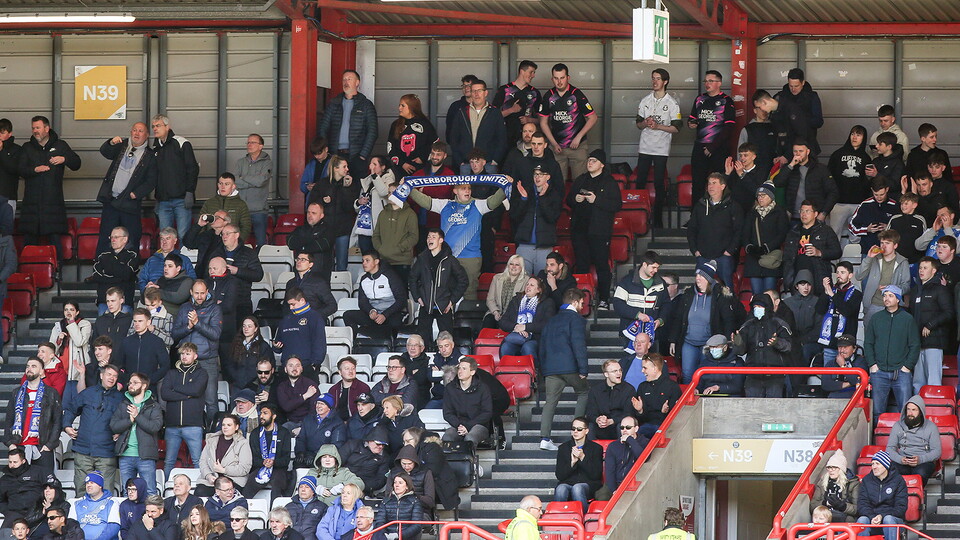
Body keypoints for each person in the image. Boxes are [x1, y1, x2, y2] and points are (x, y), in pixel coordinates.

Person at [18, 115, 81, 261]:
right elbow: (20, 170)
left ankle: (57, 273)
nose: (35, 131)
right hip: (31, 203)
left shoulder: (60, 146)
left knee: (55, 241)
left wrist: (64, 159)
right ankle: (28, 272)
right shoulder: (27, 147)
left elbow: (77, 163)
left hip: (53, 202)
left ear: (47, 128)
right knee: (29, 242)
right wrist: (35, 170)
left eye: (38, 127)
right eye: (33, 128)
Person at [567, 149, 622, 308]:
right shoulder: (580, 180)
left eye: (594, 161)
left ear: (602, 165)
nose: (590, 163)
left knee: (601, 265)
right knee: (582, 265)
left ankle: (604, 298)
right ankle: (580, 300)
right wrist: (575, 199)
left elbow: (616, 205)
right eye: (589, 160)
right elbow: (569, 200)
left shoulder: (609, 182)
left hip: (599, 231)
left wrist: (596, 200)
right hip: (579, 230)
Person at [668, 261, 739, 384]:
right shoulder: (688, 294)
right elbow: (678, 318)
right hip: (688, 342)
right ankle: (688, 402)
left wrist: (725, 341)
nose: (697, 278)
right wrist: (673, 340)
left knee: (705, 375)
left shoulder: (719, 296)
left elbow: (728, 320)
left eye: (701, 276)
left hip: (709, 344)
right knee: (687, 374)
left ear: (709, 278)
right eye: (696, 275)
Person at [537, 288, 589, 451]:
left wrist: (543, 368)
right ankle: (578, 435)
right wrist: (583, 369)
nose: (582, 306)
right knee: (584, 393)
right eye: (581, 303)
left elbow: (542, 346)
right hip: (570, 367)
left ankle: (544, 438)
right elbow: (578, 345)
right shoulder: (576, 320)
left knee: (550, 401)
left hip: (551, 368)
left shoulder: (551, 320)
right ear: (574, 302)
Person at [62, 362, 123, 493]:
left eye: (115, 376)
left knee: (106, 492)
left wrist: (120, 432)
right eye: (109, 374)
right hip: (83, 449)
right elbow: (71, 409)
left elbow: (126, 421)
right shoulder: (88, 393)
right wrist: (67, 426)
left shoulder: (120, 398)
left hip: (106, 452)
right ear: (101, 375)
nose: (111, 378)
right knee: (82, 490)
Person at [96, 122, 156, 254]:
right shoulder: (121, 145)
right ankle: (101, 270)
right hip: (111, 200)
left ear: (147, 135)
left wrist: (136, 194)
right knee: (106, 237)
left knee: (131, 238)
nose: (136, 133)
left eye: (140, 131)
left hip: (130, 204)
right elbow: (105, 152)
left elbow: (151, 181)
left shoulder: (150, 156)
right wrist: (111, 142)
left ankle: (129, 271)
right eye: (134, 130)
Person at [864, 285, 920, 420]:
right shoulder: (876, 318)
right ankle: (878, 439)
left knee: (906, 412)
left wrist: (907, 367)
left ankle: (905, 439)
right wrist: (872, 364)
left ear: (898, 299)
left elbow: (915, 345)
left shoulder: (907, 319)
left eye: (890, 295)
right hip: (879, 372)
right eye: (884, 295)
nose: (886, 298)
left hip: (901, 373)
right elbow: (868, 343)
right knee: (877, 412)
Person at [635, 68, 681, 226]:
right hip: (645, 147)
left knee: (659, 183)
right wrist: (645, 123)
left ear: (665, 81)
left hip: (661, 148)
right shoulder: (645, 100)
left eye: (658, 79)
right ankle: (637, 214)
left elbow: (677, 128)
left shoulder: (672, 103)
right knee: (640, 181)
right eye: (653, 78)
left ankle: (658, 220)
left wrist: (658, 126)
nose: (655, 81)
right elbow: (638, 124)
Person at [172, 279, 223, 421]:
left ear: (207, 292)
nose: (199, 296)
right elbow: (175, 334)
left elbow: (215, 334)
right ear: (191, 293)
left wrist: (197, 323)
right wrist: (188, 327)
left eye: (202, 293)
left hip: (208, 360)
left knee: (211, 400)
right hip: (186, 362)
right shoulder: (184, 308)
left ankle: (212, 433)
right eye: (196, 293)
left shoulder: (215, 309)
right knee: (186, 398)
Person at [317, 70, 379, 186]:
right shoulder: (334, 103)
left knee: (356, 189)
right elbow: (323, 128)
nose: (346, 82)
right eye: (344, 79)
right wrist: (326, 151)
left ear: (357, 83)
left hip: (357, 155)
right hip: (335, 155)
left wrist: (363, 155)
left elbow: (373, 132)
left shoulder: (366, 104)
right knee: (334, 188)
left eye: (349, 79)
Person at [538, 63, 597, 180]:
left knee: (580, 182)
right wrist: (553, 143)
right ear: (552, 79)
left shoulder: (576, 94)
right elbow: (543, 122)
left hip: (577, 146)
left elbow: (593, 117)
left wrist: (579, 137)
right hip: (557, 147)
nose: (559, 82)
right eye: (556, 78)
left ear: (568, 78)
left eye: (562, 78)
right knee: (557, 183)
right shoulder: (548, 96)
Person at [4, 358, 61, 476]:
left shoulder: (51, 393)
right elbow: (9, 419)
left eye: (34, 366)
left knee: (44, 487)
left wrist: (49, 445)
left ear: (41, 371)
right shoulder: (16, 393)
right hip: (19, 447)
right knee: (20, 488)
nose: (29, 369)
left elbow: (57, 421)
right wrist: (10, 443)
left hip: (42, 447)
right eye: (28, 366)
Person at [409, 229, 468, 341]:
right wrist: (417, 297)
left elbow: (463, 280)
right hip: (425, 305)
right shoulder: (422, 259)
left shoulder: (450, 260)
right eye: (428, 237)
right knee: (422, 340)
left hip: (444, 305)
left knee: (446, 340)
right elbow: (412, 278)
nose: (429, 239)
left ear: (441, 240)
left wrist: (452, 300)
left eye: (433, 237)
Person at [161, 342, 209, 477]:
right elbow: (165, 394)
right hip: (172, 425)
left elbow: (196, 390)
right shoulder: (171, 373)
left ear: (195, 356)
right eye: (182, 353)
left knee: (198, 461)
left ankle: (199, 488)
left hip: (193, 424)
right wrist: (188, 393)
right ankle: (165, 490)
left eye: (188, 353)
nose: (184, 356)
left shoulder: (202, 373)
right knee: (169, 461)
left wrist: (175, 388)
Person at [686, 71, 734, 205]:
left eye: (711, 81)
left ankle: (719, 213)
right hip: (700, 146)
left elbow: (729, 127)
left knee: (720, 182)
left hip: (719, 148)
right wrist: (691, 124)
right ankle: (695, 216)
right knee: (697, 183)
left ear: (719, 83)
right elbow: (692, 119)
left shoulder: (726, 100)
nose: (707, 84)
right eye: (705, 81)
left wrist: (713, 147)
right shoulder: (700, 99)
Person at [111, 372, 163, 494]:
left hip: (146, 456)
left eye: (135, 383)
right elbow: (113, 426)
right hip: (125, 454)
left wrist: (137, 416)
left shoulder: (153, 406)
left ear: (144, 386)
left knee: (150, 491)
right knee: (126, 492)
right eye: (130, 383)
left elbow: (155, 427)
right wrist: (129, 420)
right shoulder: (123, 404)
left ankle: (150, 514)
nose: (130, 385)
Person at [687, 172, 742, 289]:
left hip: (724, 257)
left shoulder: (733, 206)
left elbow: (739, 230)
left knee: (727, 290)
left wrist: (730, 251)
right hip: (703, 256)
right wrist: (695, 250)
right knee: (701, 289)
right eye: (709, 183)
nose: (710, 186)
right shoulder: (700, 205)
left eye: (714, 183)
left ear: (723, 186)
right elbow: (691, 229)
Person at [306, 156, 359, 273]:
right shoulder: (322, 184)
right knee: (324, 263)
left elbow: (350, 207)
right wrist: (323, 202)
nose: (347, 169)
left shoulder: (350, 184)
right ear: (335, 168)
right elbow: (311, 204)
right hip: (325, 229)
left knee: (341, 264)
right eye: (344, 166)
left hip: (343, 229)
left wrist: (346, 188)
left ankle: (341, 288)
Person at [733, 294, 793, 398]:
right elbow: (740, 351)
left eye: (760, 307)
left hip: (775, 375)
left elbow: (789, 346)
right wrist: (738, 344)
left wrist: (777, 342)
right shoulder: (747, 325)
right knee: (752, 409)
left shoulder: (779, 324)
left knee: (773, 408)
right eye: (755, 307)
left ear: (767, 307)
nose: (757, 309)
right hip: (753, 375)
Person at [151, 115, 199, 239]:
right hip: (163, 201)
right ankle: (167, 259)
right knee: (165, 237)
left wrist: (190, 192)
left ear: (167, 127)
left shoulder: (181, 143)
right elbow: (155, 175)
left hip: (181, 200)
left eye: (158, 126)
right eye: (153, 126)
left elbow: (192, 169)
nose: (155, 129)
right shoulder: (155, 148)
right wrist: (157, 198)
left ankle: (183, 259)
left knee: (183, 235)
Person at [909, 257, 953, 391]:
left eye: (925, 268)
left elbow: (949, 313)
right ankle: (917, 412)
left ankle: (934, 410)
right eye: (920, 268)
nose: (921, 271)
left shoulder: (940, 289)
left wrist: (930, 324)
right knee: (917, 383)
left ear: (933, 271)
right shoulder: (915, 290)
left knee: (933, 382)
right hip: (917, 343)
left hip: (934, 342)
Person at [511, 164, 562, 276]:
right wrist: (524, 199)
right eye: (535, 174)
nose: (537, 177)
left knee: (543, 282)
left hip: (544, 246)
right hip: (524, 245)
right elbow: (514, 216)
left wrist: (542, 198)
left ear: (548, 177)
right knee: (521, 282)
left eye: (541, 174)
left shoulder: (554, 194)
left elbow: (552, 217)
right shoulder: (525, 191)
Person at [783, 200, 842, 295]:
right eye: (802, 211)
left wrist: (819, 253)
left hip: (818, 278)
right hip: (797, 279)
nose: (804, 214)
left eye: (807, 211)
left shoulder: (825, 230)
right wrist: (788, 281)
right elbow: (787, 257)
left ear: (815, 214)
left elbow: (837, 252)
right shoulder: (793, 232)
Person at [612, 251, 670, 347]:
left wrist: (661, 320)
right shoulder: (626, 281)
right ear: (644, 264)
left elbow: (666, 304)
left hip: (652, 335)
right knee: (630, 361)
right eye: (653, 267)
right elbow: (618, 304)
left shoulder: (661, 283)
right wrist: (637, 315)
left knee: (651, 362)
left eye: (657, 268)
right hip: (629, 334)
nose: (656, 270)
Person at [448, 79, 507, 171]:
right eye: (474, 91)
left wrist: (495, 160)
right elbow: (454, 138)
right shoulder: (462, 112)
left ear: (486, 93)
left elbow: (502, 138)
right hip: (466, 163)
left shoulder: (495, 113)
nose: (476, 94)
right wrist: (460, 160)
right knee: (466, 186)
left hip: (488, 163)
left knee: (488, 186)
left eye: (479, 91)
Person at [742, 183, 789, 294]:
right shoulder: (752, 213)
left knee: (769, 294)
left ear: (771, 197)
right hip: (753, 260)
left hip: (771, 258)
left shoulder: (779, 212)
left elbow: (782, 234)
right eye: (758, 195)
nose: (760, 198)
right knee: (757, 294)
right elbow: (745, 233)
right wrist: (749, 247)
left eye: (764, 195)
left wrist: (766, 248)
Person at [828, 125, 873, 241]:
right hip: (838, 203)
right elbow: (828, 177)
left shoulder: (867, 158)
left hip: (858, 204)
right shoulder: (837, 155)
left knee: (856, 237)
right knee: (834, 236)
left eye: (858, 135)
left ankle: (856, 259)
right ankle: (834, 260)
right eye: (853, 134)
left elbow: (869, 181)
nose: (855, 137)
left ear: (864, 138)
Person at [343, 251, 406, 334]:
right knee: (348, 315)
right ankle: (356, 343)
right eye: (363, 261)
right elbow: (362, 302)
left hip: (391, 314)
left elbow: (401, 300)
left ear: (376, 261)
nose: (364, 263)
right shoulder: (364, 279)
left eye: (367, 260)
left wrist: (385, 315)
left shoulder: (390, 276)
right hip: (374, 316)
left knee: (395, 322)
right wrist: (371, 311)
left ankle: (389, 344)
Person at [886, 396, 941, 485]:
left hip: (923, 461)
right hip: (903, 460)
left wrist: (920, 459)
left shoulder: (931, 427)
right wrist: (900, 459)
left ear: (920, 412)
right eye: (908, 409)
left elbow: (937, 452)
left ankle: (917, 496)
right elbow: (889, 449)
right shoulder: (897, 425)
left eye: (914, 410)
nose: (910, 413)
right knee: (891, 471)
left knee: (920, 473)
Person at [241, 402, 291, 498]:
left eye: (265, 413)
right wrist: (263, 462)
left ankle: (274, 512)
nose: (261, 416)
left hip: (278, 469)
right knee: (248, 487)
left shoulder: (284, 433)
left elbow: (286, 459)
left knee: (277, 484)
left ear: (274, 416)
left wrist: (273, 462)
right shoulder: (255, 433)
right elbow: (252, 458)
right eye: (261, 413)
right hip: (260, 468)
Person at [781, 140, 838, 222]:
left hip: (815, 217)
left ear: (807, 152)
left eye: (801, 151)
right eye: (795, 151)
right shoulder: (789, 168)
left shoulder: (820, 169)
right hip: (793, 217)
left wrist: (823, 213)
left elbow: (833, 192)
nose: (798, 154)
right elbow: (778, 182)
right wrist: (791, 165)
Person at [373, 179, 418, 283]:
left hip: (402, 262)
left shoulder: (410, 214)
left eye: (394, 192)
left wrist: (400, 248)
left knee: (401, 294)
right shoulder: (382, 213)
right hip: (384, 261)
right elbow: (376, 235)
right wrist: (381, 249)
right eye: (389, 192)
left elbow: (414, 237)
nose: (390, 195)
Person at [499, 276, 556, 358]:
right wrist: (517, 327)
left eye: (532, 285)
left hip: (535, 338)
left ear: (539, 290)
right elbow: (503, 321)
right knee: (506, 347)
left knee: (528, 347)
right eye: (527, 284)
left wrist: (525, 327)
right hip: (516, 336)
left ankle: (533, 370)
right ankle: (507, 370)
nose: (528, 287)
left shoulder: (547, 302)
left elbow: (547, 324)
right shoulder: (516, 300)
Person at [441, 357, 493, 449]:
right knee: (447, 437)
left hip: (478, 425)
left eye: (464, 369)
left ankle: (469, 462)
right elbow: (447, 413)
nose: (460, 371)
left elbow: (487, 412)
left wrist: (468, 426)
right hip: (457, 426)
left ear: (472, 372)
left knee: (470, 438)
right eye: (459, 368)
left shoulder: (483, 388)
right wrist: (459, 425)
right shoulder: (450, 388)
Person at [816, 265, 863, 365]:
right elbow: (819, 310)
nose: (839, 275)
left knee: (846, 376)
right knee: (828, 377)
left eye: (842, 272)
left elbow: (847, 311)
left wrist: (832, 295)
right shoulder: (830, 291)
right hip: (830, 343)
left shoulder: (856, 293)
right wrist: (826, 292)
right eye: (837, 272)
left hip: (846, 345)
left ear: (850, 275)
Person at [554, 417, 603, 512]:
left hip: (588, 483)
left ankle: (582, 519)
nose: (575, 431)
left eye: (579, 429)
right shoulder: (563, 448)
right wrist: (572, 463)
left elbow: (596, 475)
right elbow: (560, 476)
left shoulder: (596, 448)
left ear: (586, 431)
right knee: (560, 489)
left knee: (577, 488)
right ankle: (559, 519)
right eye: (573, 429)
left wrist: (582, 458)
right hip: (568, 482)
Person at [195, 415, 252, 496]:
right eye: (223, 425)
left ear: (236, 427)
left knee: (227, 494)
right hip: (212, 481)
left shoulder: (243, 443)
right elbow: (203, 461)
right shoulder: (212, 440)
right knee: (200, 492)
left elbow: (245, 468)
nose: (225, 427)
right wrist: (208, 476)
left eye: (229, 425)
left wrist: (224, 470)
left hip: (233, 481)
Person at [856, 451, 907, 540]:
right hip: (871, 519)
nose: (874, 467)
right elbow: (862, 504)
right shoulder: (866, 480)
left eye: (877, 464)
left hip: (892, 520)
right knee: (862, 520)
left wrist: (882, 516)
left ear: (886, 465)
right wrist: (872, 517)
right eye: (872, 464)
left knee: (888, 519)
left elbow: (901, 507)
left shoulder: (898, 480)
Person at [235, 134, 273, 247]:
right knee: (239, 241)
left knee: (261, 242)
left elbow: (261, 181)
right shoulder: (240, 162)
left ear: (261, 146)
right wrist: (252, 180)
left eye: (253, 142)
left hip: (259, 210)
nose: (249, 145)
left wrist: (244, 178)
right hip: (242, 209)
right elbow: (235, 182)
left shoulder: (267, 163)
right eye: (248, 142)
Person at [630, 354, 681, 438]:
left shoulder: (672, 386)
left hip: (666, 427)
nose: (642, 371)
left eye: (645, 368)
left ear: (655, 368)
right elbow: (640, 419)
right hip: (646, 427)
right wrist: (640, 411)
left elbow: (677, 416)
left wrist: (666, 412)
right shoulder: (642, 386)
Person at [493, 60, 541, 147]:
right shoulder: (504, 90)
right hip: (505, 137)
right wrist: (511, 110)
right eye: (531, 72)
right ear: (522, 71)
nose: (533, 75)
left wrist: (529, 120)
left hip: (527, 140)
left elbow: (543, 120)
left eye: (534, 73)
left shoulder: (534, 92)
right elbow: (493, 115)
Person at [387, 94, 437, 176]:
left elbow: (435, 143)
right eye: (399, 105)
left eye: (403, 106)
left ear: (411, 107)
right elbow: (390, 146)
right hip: (399, 170)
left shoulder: (425, 124)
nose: (399, 108)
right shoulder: (395, 125)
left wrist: (423, 158)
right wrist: (402, 163)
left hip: (422, 170)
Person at [275, 288, 327, 367]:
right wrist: (276, 346)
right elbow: (278, 345)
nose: (291, 308)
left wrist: (314, 364)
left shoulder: (315, 317)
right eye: (289, 305)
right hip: (287, 366)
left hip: (306, 366)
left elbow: (319, 343)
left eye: (293, 304)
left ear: (302, 300)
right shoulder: (285, 319)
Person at [287, 203, 338, 282]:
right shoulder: (300, 229)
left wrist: (302, 245)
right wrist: (312, 240)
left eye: (313, 213)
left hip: (321, 277)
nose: (310, 215)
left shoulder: (328, 230)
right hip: (299, 278)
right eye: (308, 212)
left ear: (321, 215)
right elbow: (290, 242)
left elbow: (322, 245)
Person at [353, 156, 394, 253]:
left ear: (383, 167)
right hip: (364, 226)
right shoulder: (367, 181)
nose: (371, 166)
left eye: (375, 164)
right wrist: (358, 202)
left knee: (378, 257)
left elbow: (383, 192)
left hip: (379, 226)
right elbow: (357, 209)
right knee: (366, 256)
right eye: (371, 164)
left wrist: (375, 176)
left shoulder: (388, 179)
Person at [850, 178, 900, 258]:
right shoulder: (865, 205)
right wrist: (867, 229)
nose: (879, 198)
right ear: (872, 190)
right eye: (876, 195)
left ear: (887, 189)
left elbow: (901, 228)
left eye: (882, 194)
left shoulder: (895, 205)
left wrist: (888, 227)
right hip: (868, 250)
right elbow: (852, 226)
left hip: (889, 252)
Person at [119, 308, 170, 385]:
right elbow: (120, 364)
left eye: (140, 321)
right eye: (135, 321)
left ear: (148, 322)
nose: (136, 324)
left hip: (149, 387)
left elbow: (165, 366)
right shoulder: (126, 341)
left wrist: (150, 380)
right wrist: (127, 379)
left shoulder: (157, 341)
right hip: (129, 386)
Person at [585, 360, 634, 441]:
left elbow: (629, 413)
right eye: (615, 371)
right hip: (601, 426)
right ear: (606, 374)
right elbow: (590, 413)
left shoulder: (629, 389)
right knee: (590, 427)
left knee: (622, 426)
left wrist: (612, 421)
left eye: (620, 370)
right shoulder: (595, 390)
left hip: (618, 424)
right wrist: (598, 420)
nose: (619, 373)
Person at [139, 228, 198, 294]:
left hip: (174, 297)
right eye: (162, 239)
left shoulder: (184, 260)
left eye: (167, 238)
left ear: (175, 241)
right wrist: (146, 290)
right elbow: (142, 279)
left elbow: (192, 280)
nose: (164, 242)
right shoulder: (151, 260)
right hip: (152, 297)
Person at [225, 316, 274, 393]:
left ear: (256, 328)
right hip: (238, 385)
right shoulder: (236, 344)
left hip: (256, 386)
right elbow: (229, 364)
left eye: (249, 326)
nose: (246, 328)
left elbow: (269, 365)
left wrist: (255, 380)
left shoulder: (263, 346)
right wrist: (236, 378)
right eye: (244, 326)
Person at [810, 450, 860, 523]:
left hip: (844, 517)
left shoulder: (853, 484)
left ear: (841, 469)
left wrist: (842, 505)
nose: (831, 470)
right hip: (824, 517)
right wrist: (825, 503)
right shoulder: (822, 483)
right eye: (829, 467)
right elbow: (812, 506)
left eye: (834, 467)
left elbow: (857, 509)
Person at [603, 416, 648, 497]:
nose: (624, 430)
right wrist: (614, 490)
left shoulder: (644, 442)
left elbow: (644, 458)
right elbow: (610, 471)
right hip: (616, 484)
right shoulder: (613, 446)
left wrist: (630, 440)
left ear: (636, 429)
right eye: (622, 427)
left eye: (628, 427)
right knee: (602, 496)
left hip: (635, 484)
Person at [285, 252, 337, 322]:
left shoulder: (319, 282)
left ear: (310, 264)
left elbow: (332, 306)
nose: (299, 262)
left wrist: (314, 315)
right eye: (298, 259)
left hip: (313, 322)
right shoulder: (290, 283)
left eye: (303, 260)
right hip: (293, 321)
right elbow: (286, 305)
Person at [199, 173, 252, 242]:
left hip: (232, 244)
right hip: (211, 244)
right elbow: (201, 225)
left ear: (233, 186)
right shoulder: (209, 203)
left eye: (226, 184)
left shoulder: (241, 204)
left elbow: (246, 227)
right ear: (218, 185)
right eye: (221, 184)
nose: (223, 187)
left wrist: (237, 243)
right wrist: (204, 242)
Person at [0, 448, 44, 529]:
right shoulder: (4, 479)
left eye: (15, 462)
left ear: (23, 461)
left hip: (38, 511)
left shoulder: (37, 471)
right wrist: (7, 510)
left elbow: (52, 489)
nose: (12, 465)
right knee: (4, 533)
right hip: (14, 513)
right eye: (10, 462)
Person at [49, 302, 92, 383]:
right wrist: (59, 340)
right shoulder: (58, 326)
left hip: (77, 366)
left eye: (71, 310)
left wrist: (72, 322)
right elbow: (51, 349)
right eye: (66, 310)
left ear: (77, 312)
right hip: (61, 365)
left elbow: (79, 342)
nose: (68, 312)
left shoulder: (85, 324)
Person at [296, 394, 347, 462]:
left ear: (329, 407)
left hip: (324, 459)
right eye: (317, 403)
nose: (318, 406)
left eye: (322, 404)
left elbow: (335, 445)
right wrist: (300, 452)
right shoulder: (308, 419)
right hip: (306, 456)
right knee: (297, 465)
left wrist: (317, 456)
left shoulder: (337, 423)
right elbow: (301, 438)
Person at [484, 255, 528, 329]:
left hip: (514, 315)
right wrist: (495, 312)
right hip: (496, 312)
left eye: (517, 265)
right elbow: (490, 299)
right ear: (508, 266)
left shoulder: (526, 280)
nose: (513, 267)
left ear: (521, 267)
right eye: (511, 264)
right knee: (488, 322)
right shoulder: (497, 278)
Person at [374, 474, 422, 540]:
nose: (397, 485)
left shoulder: (415, 501)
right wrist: (385, 534)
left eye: (400, 483)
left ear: (407, 486)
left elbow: (416, 525)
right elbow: (380, 521)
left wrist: (398, 535)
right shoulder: (386, 501)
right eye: (395, 482)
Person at [75, 471, 121, 540]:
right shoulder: (77, 503)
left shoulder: (112, 502)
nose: (88, 485)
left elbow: (113, 528)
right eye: (87, 483)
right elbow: (71, 527)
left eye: (92, 483)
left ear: (100, 486)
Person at [92, 288, 133, 362]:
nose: (110, 304)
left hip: (123, 365)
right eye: (108, 301)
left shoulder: (129, 320)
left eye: (113, 301)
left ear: (121, 300)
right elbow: (94, 343)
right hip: (102, 364)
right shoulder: (100, 320)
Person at [725, 142, 767, 214]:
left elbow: (757, 191)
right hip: (734, 211)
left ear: (753, 157)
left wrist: (742, 175)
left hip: (750, 212)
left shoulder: (760, 172)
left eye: (745, 155)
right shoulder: (736, 171)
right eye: (740, 155)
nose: (742, 158)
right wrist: (728, 174)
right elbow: (728, 189)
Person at [277, 356, 319, 426]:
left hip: (308, 423)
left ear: (302, 369)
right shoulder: (282, 386)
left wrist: (303, 428)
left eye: (297, 365)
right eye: (291, 366)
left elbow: (314, 411)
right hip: (290, 423)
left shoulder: (311, 385)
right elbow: (286, 407)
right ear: (285, 369)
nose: (294, 368)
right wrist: (305, 396)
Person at [301, 138, 331, 213]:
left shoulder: (334, 163)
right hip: (312, 200)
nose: (317, 156)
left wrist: (318, 186)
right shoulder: (310, 165)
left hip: (328, 202)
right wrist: (307, 187)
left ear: (326, 149)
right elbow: (302, 185)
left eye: (319, 153)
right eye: (315, 154)